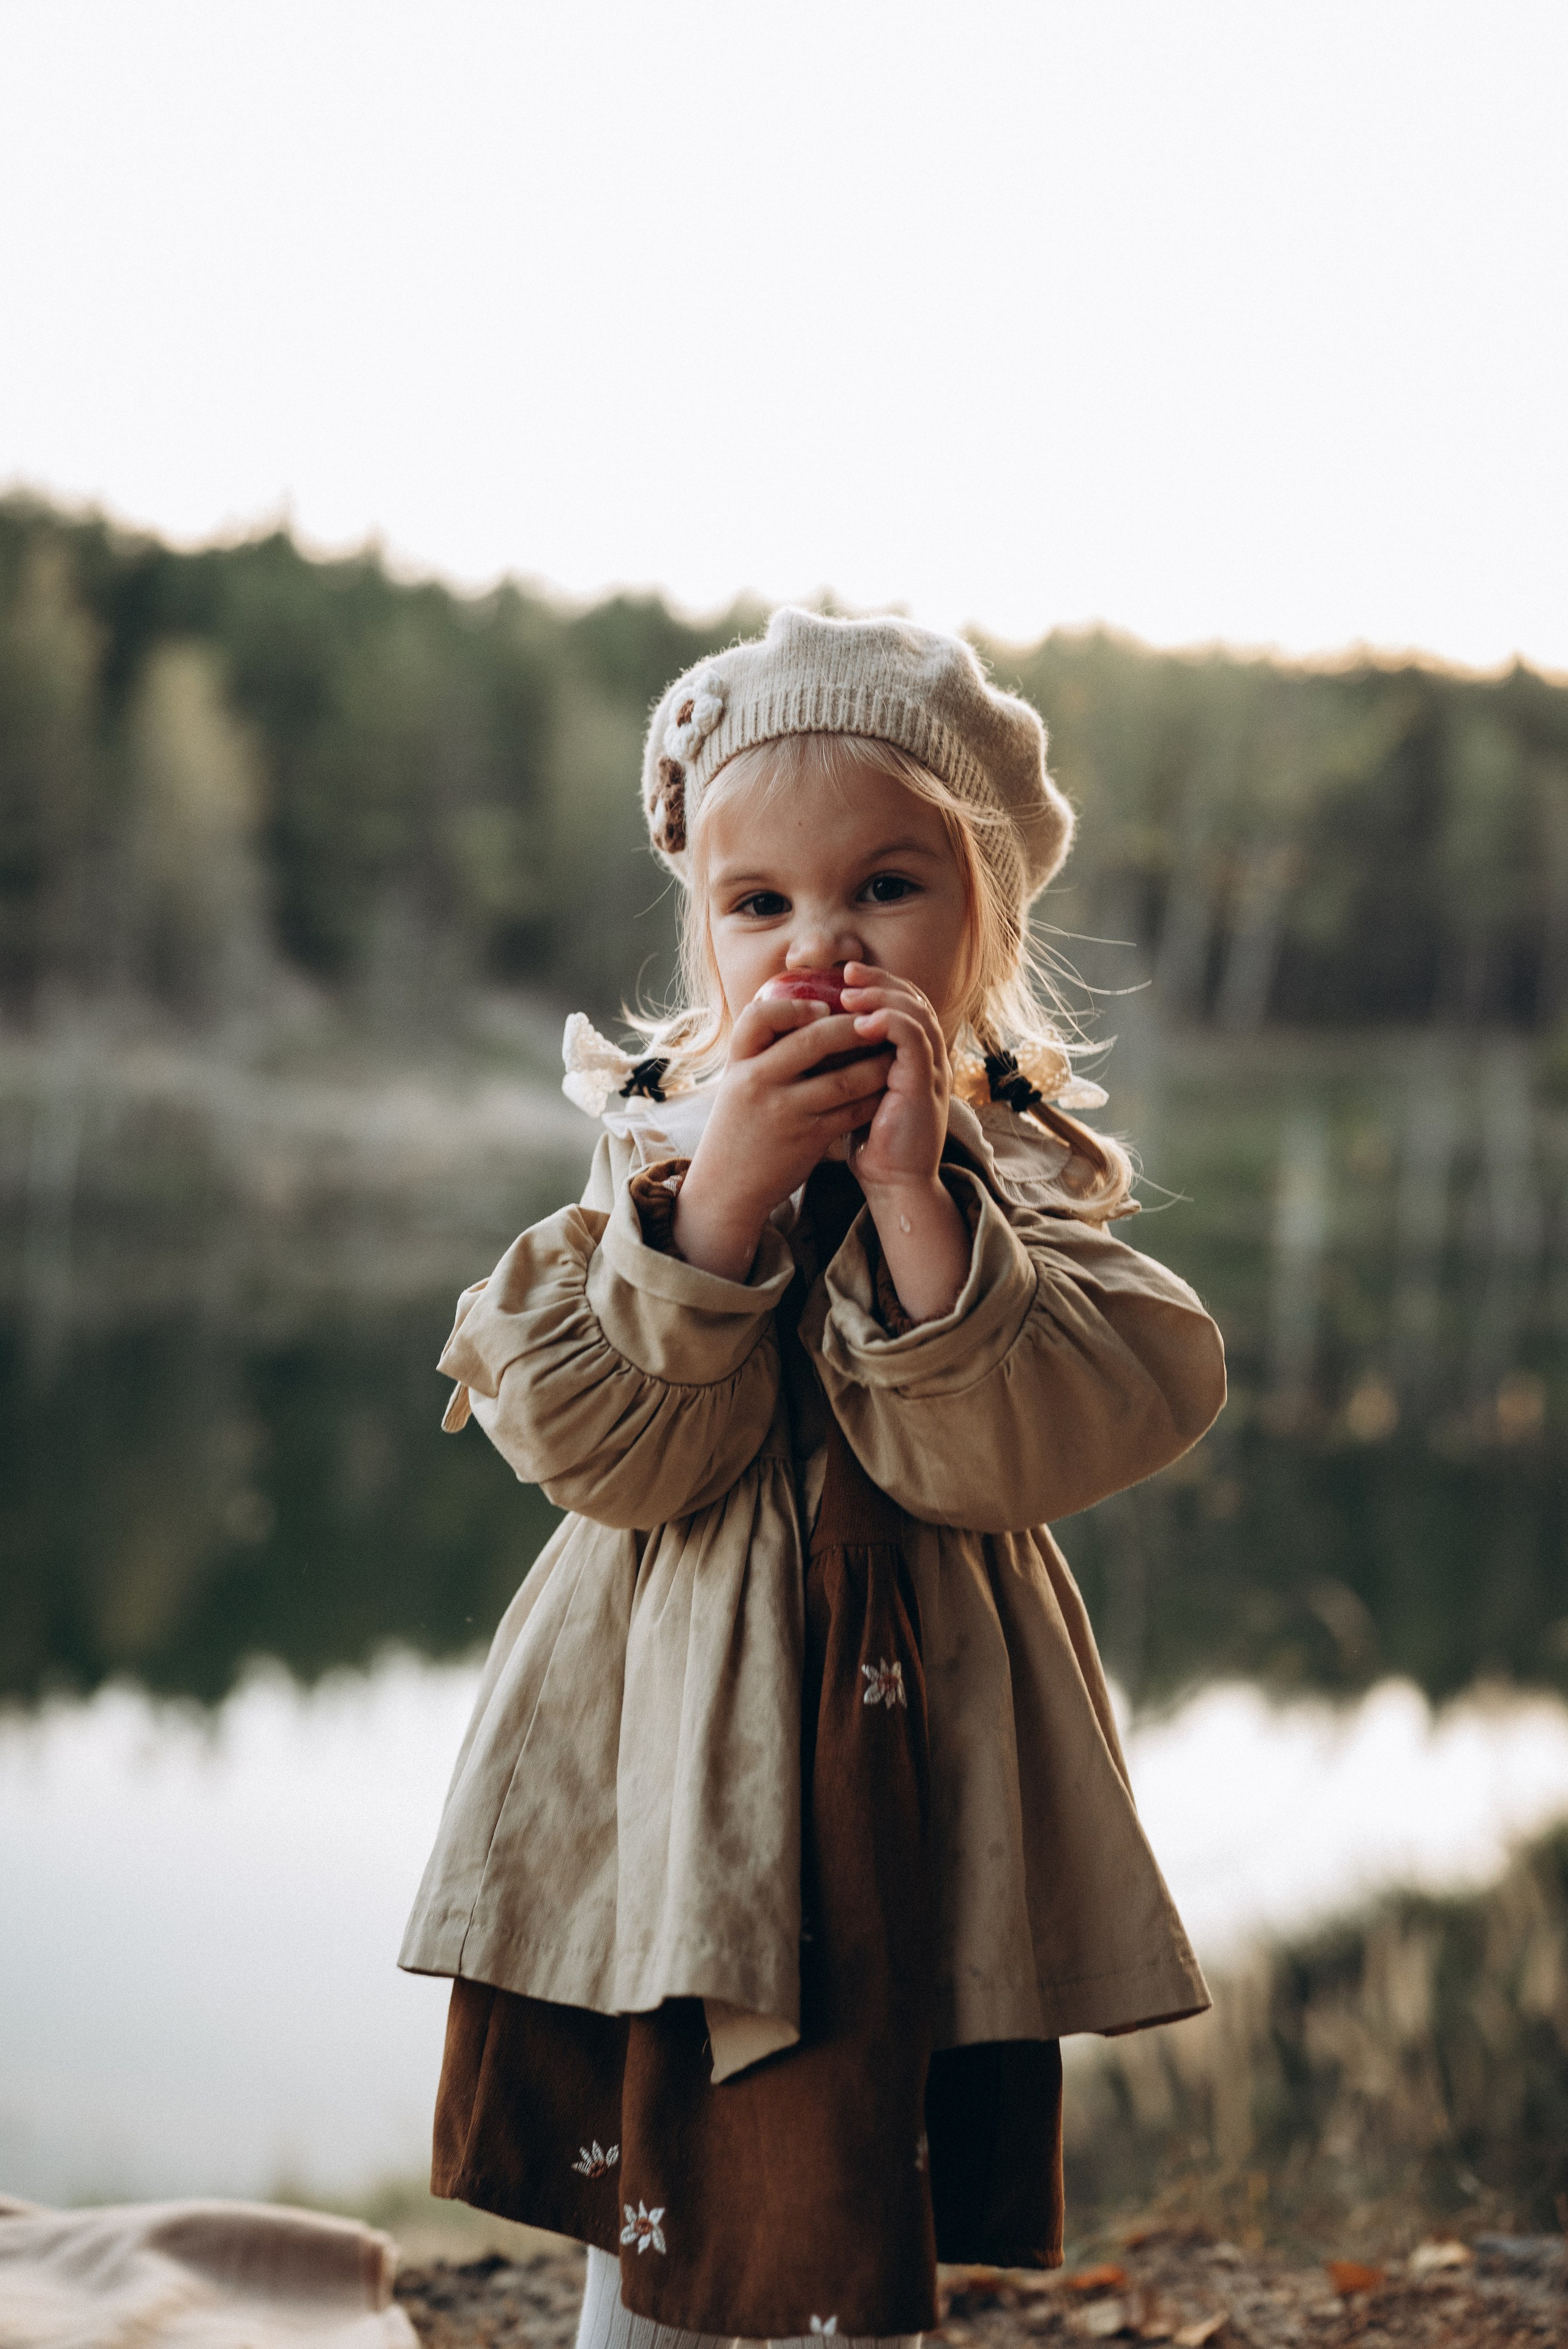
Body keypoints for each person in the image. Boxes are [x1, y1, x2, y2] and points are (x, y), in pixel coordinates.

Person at [399, 608, 1226, 2349]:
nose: (818, 945)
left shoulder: (1014, 1170)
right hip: (677, 1745)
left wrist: (921, 1200)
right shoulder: (659, 1151)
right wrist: (715, 1216)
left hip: (912, 1749)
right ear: (701, 926)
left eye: (885, 889)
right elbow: (618, 1456)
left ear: (983, 914)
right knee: (669, 2150)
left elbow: (1030, 1437)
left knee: (869, 2159)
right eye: (759, 901)